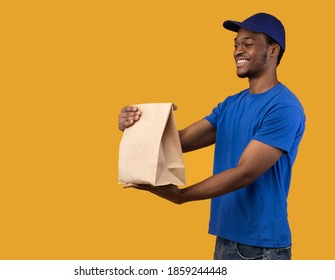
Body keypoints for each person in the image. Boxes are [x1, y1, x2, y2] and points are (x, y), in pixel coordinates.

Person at [118, 13, 305, 260]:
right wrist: (136, 124)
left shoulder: (284, 107)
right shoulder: (230, 105)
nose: (238, 50)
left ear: (273, 51)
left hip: (262, 248)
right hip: (225, 239)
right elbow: (180, 141)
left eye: (248, 44)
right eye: (236, 45)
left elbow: (245, 172)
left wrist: (181, 196)